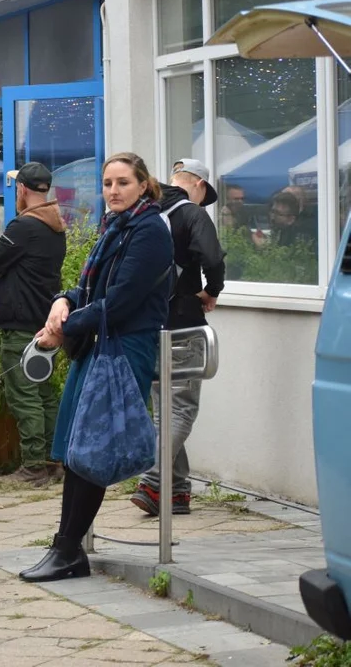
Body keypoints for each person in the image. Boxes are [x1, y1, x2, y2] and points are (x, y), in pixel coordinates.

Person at [20, 152, 173, 583]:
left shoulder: (149, 230)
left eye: (123, 182)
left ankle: (68, 549)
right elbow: (93, 286)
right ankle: (67, 546)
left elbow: (121, 302)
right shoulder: (116, 225)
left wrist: (61, 328)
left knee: (92, 451)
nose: (113, 191)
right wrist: (63, 300)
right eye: (107, 183)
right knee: (75, 449)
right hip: (100, 344)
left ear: (143, 185)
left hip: (126, 349)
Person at [131, 159, 225, 517]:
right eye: (205, 196)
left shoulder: (146, 210)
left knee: (164, 412)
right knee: (182, 408)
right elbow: (212, 258)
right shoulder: (191, 214)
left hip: (149, 322)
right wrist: (211, 289)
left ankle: (178, 492)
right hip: (183, 321)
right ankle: (153, 481)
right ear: (197, 185)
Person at [0, 162, 66, 487]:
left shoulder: (24, 226)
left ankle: (33, 468)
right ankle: (54, 461)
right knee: (43, 392)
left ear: (23, 190)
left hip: (20, 325)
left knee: (24, 393)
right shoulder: (55, 224)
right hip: (45, 322)